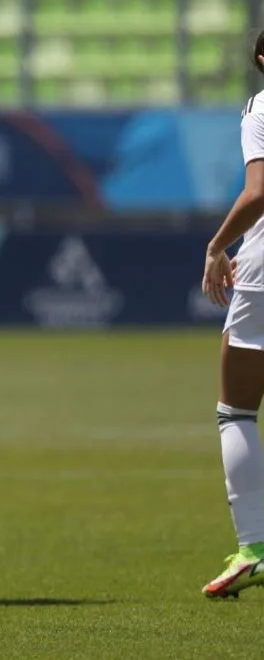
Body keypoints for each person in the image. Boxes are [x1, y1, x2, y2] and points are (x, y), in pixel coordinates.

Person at [201, 31, 264, 598]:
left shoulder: (262, 106)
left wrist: (218, 245)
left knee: (236, 411)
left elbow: (258, 191)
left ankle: (254, 546)